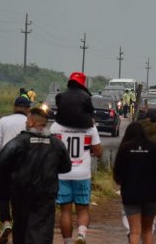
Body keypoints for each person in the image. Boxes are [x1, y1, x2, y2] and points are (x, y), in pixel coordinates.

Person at [0, 107, 72, 244]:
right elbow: (66, 167)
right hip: (46, 196)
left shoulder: (19, 142)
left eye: (27, 120)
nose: (25, 123)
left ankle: (6, 221)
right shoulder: (57, 144)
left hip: (21, 195)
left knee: (21, 230)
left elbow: (1, 162)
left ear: (31, 121)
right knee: (43, 231)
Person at [50, 100, 103, 244]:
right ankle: (81, 235)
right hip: (82, 174)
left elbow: (51, 149)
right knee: (83, 209)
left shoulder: (56, 126)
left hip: (62, 174)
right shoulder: (90, 127)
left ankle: (67, 241)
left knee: (65, 210)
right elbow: (98, 152)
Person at [113, 122, 156, 244]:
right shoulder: (153, 147)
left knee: (134, 231)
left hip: (131, 193)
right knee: (147, 230)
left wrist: (123, 182)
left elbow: (117, 172)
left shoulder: (125, 148)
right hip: (151, 194)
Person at [0, 96, 32, 244]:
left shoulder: (4, 121)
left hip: (5, 163)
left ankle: (6, 222)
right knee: (21, 198)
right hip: (25, 166)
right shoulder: (30, 122)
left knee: (2, 195)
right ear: (28, 109)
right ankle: (19, 228)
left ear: (14, 107)